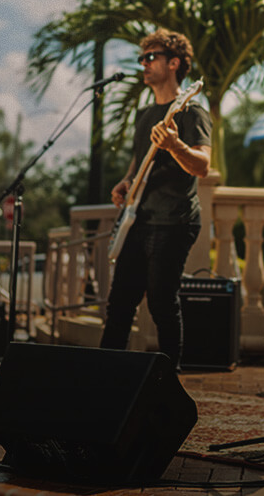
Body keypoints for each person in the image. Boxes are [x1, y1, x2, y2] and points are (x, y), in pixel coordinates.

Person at [99, 28, 212, 370]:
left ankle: (167, 380)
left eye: (151, 57)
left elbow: (203, 166)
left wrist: (175, 145)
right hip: (140, 219)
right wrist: (126, 182)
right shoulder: (145, 115)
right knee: (119, 303)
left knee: (162, 303)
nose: (143, 64)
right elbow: (141, 160)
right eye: (141, 58)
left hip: (174, 220)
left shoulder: (192, 112)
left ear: (174, 63)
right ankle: (101, 378)